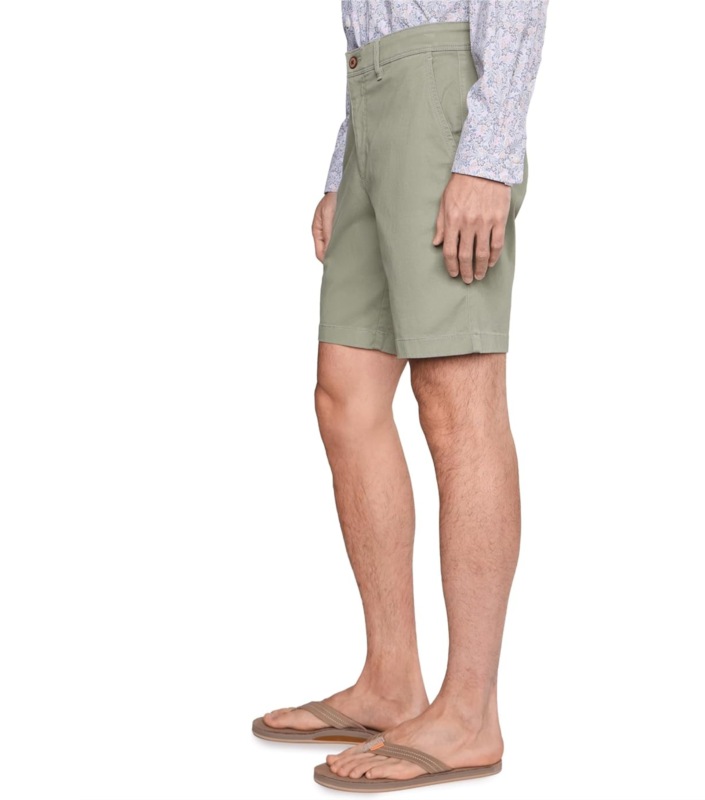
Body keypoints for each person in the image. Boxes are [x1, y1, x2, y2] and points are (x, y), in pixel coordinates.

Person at [253, 1, 549, 792]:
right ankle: (391, 680)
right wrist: (345, 166)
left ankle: (470, 715)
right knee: (344, 395)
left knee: (457, 400)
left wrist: (488, 154)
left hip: (446, 95)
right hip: (370, 100)